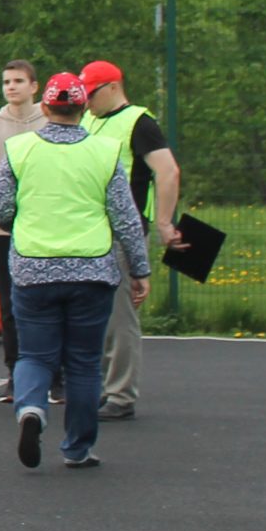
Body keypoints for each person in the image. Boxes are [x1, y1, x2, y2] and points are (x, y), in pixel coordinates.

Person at [0, 72, 150, 470]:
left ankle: (30, 408)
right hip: (91, 269)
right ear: (82, 108)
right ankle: (78, 447)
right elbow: (125, 217)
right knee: (83, 361)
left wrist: (26, 224)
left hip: (33, 267)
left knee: (35, 354)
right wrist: (139, 269)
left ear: (45, 107)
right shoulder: (105, 151)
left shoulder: (20, 148)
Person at [79, 60, 183, 421]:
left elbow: (167, 171)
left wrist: (165, 223)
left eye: (91, 94)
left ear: (111, 87)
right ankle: (103, 388)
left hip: (125, 230)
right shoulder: (89, 119)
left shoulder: (139, 122)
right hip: (92, 229)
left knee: (120, 316)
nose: (86, 101)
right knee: (97, 313)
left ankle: (120, 394)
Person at [0, 61, 44, 398]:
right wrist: (5, 209)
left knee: (43, 302)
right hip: (3, 228)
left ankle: (52, 375)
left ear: (34, 86)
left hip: (43, 227)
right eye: (6, 82)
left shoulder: (49, 123)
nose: (11, 87)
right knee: (10, 304)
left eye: (18, 81)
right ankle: (16, 375)